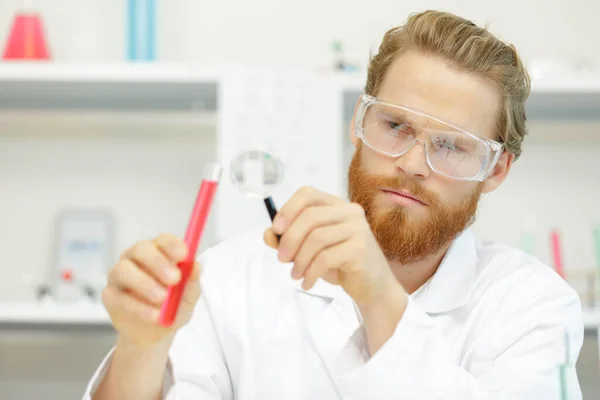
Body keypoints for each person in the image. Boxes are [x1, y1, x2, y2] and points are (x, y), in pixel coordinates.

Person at [84, 10, 584, 400]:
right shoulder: (231, 279)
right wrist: (140, 349)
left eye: (451, 146)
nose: (413, 163)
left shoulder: (531, 306)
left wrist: (378, 296)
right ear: (358, 123)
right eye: (395, 126)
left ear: (495, 170)